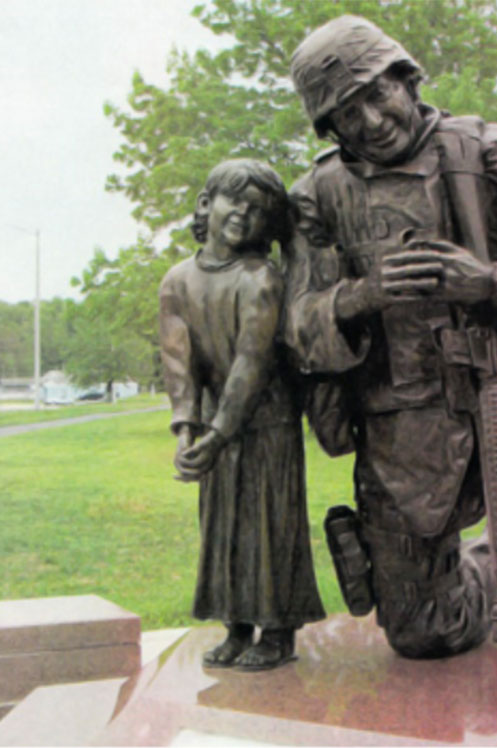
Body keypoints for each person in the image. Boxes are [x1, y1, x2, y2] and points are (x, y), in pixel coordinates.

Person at [284, 16, 497, 713]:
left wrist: (493, 283)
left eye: (379, 95)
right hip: (406, 428)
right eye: (348, 115)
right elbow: (296, 329)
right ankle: (479, 566)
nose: (373, 121)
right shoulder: (318, 198)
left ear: (406, 79)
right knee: (423, 635)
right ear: (330, 129)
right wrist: (361, 296)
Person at [159, 158, 325, 671]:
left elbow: (252, 360)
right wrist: (188, 428)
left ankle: (277, 632)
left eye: (259, 210)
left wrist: (221, 430)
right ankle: (235, 625)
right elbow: (177, 361)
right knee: (222, 526)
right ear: (207, 204)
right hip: (214, 423)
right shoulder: (177, 280)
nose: (244, 215)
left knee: (269, 525)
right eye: (236, 201)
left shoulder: (261, 279)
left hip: (266, 422)